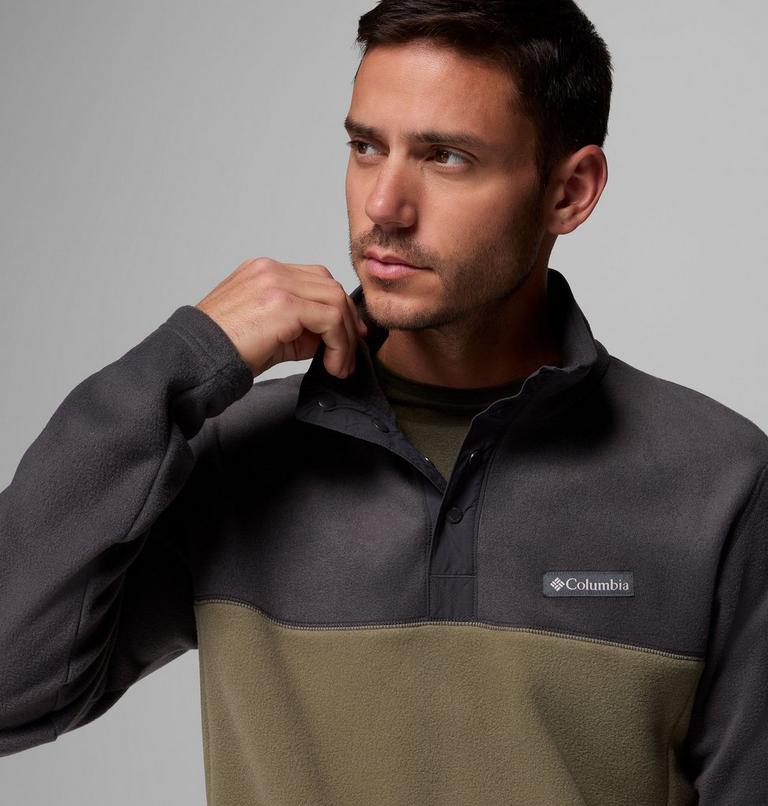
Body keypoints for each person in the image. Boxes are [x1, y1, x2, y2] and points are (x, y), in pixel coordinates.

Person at [1, 1, 766, 803]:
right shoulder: (234, 454)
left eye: (446, 157)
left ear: (569, 192)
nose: (384, 207)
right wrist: (183, 359)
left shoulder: (719, 481)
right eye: (366, 147)